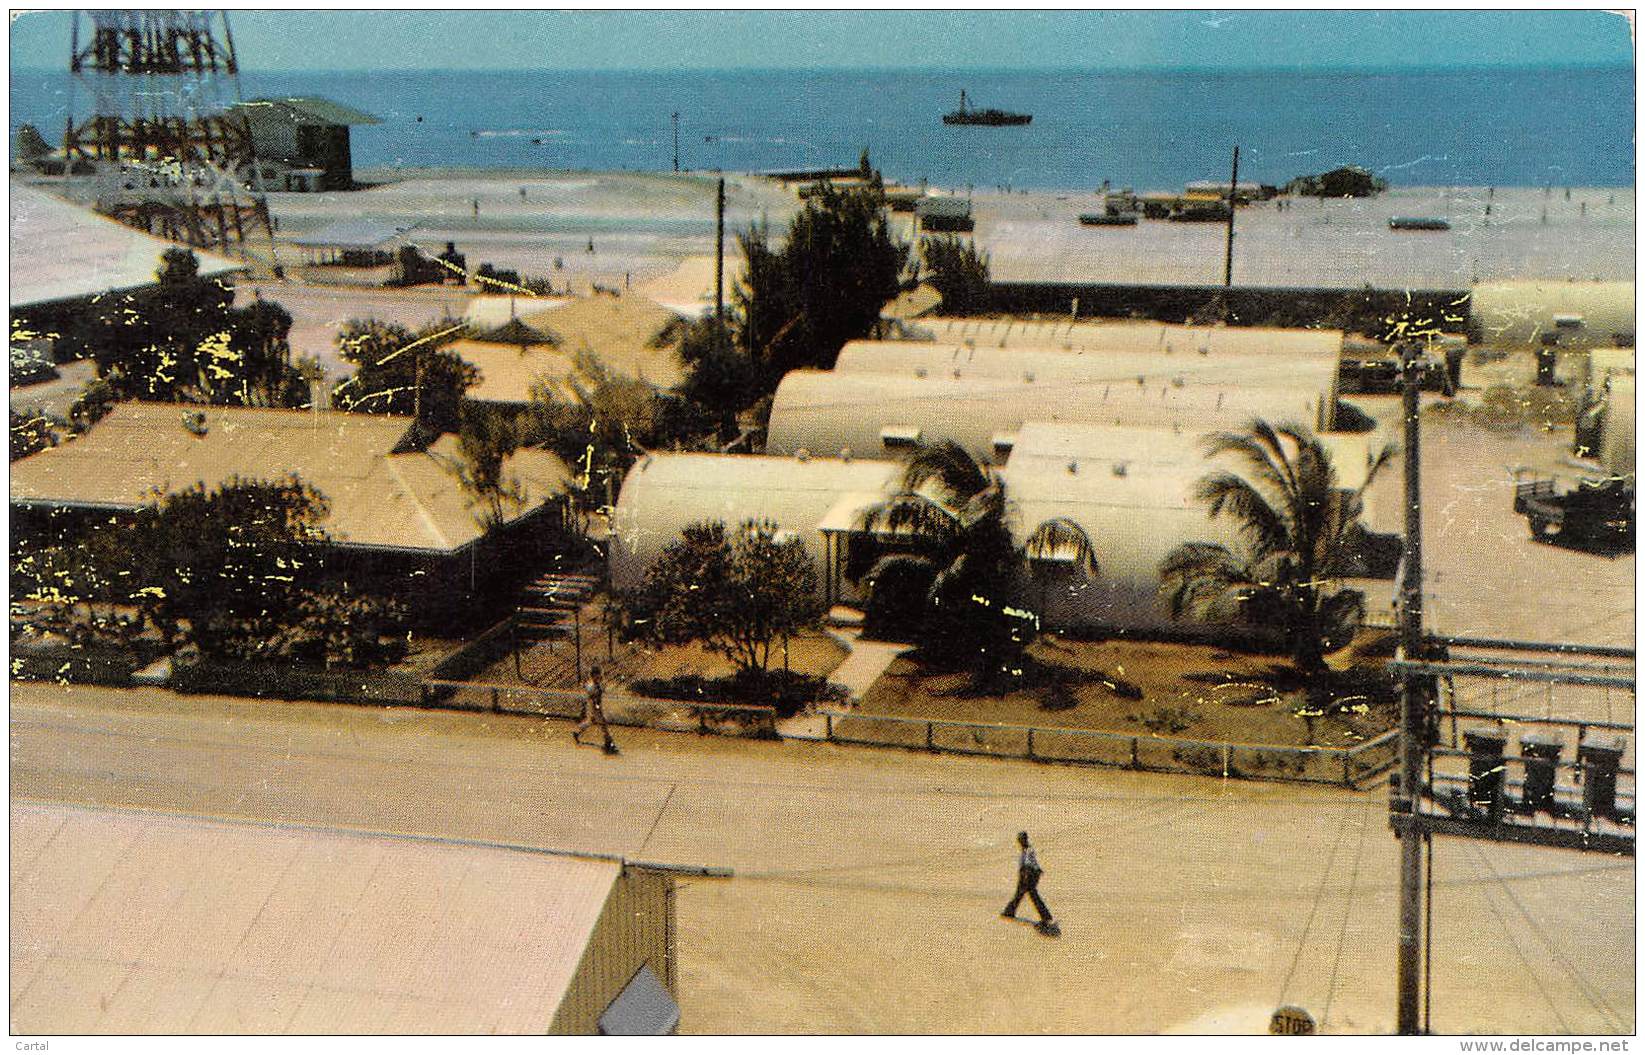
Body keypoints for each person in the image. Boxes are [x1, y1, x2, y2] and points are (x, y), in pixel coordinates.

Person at [1001, 831, 1055, 931]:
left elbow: (1029, 865)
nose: (1020, 842)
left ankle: (1046, 917)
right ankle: (1010, 911)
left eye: (1021, 840)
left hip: (1028, 875)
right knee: (1021, 894)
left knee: (1032, 896)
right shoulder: (1026, 850)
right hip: (1026, 874)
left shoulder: (1028, 851)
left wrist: (1026, 877)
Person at [574, 665, 618, 755]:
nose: (599, 677)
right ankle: (608, 741)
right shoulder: (593, 686)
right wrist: (597, 708)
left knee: (591, 721)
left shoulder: (595, 685)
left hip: (595, 706)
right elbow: (593, 698)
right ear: (593, 675)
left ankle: (577, 732)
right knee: (603, 723)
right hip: (594, 706)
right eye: (597, 675)